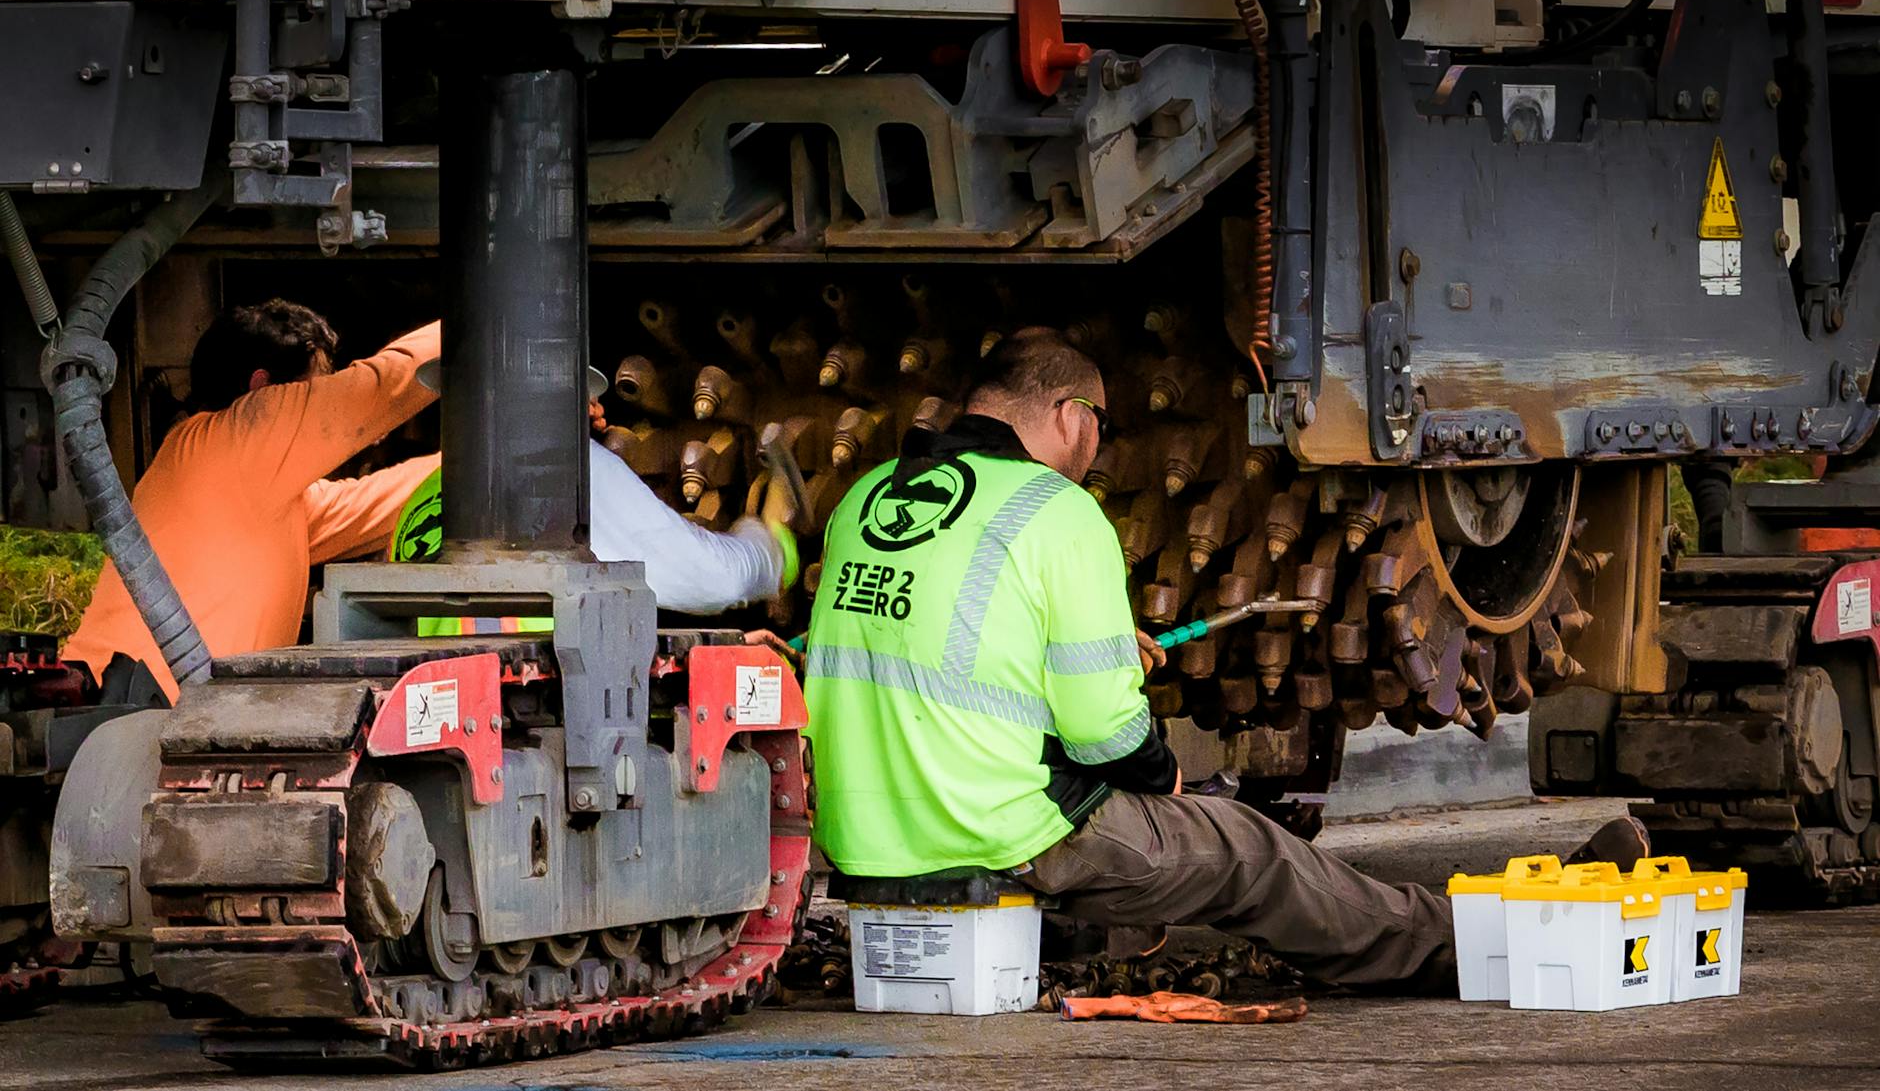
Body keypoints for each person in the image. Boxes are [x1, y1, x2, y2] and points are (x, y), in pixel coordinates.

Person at [803, 328, 1646, 993]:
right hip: (993, 832)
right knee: (1254, 852)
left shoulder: (870, 495)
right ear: (1067, 413)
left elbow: (932, 660)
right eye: (1100, 423)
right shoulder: (1056, 512)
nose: (1099, 444)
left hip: (866, 839)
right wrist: (1165, 773)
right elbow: (1106, 732)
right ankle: (1478, 942)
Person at [64, 302, 440, 701]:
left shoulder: (242, 484)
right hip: (121, 715)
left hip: (135, 713)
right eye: (315, 388)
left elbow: (383, 502)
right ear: (262, 390)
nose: (323, 400)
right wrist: (486, 313)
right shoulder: (239, 437)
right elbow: (380, 387)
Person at [391, 365, 795, 619]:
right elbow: (709, 577)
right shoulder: (571, 471)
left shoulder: (423, 497)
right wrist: (770, 543)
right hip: (523, 709)